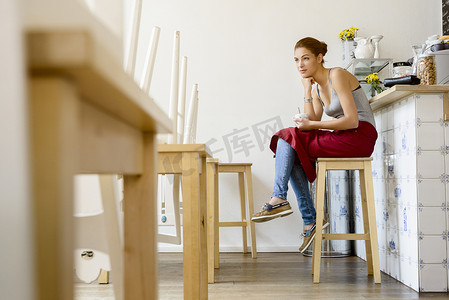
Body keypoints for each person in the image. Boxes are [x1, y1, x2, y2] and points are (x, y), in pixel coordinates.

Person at [251, 37, 378, 253]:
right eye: (296, 60)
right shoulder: (317, 87)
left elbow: (352, 120)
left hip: (360, 136)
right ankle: (309, 222)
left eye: (306, 58)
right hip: (342, 136)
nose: (300, 64)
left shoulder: (336, 74)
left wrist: (312, 124)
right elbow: (309, 123)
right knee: (292, 144)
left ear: (319, 58)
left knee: (288, 138)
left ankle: (281, 199)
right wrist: (307, 92)